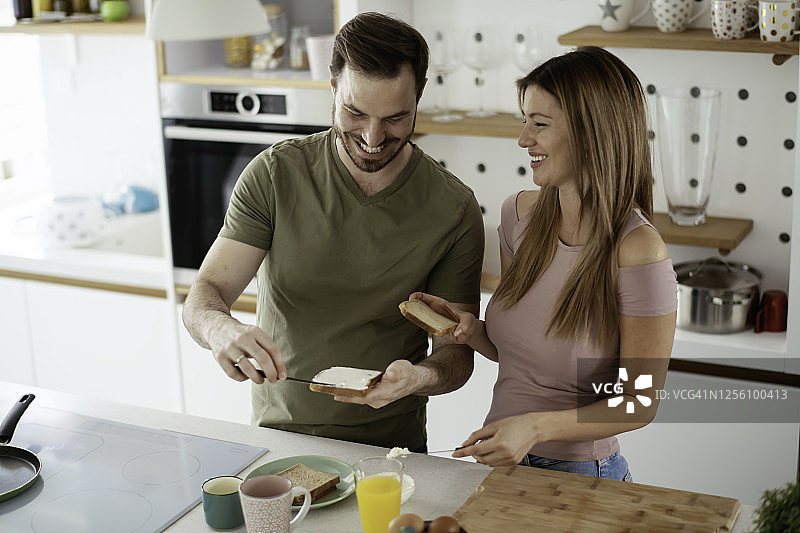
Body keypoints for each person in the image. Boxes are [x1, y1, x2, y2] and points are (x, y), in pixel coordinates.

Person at [182, 12, 484, 451]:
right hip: (277, 436)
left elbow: (456, 354)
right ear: (332, 83)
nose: (373, 137)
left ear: (419, 95)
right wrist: (220, 330)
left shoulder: (453, 208)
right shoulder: (274, 176)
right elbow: (204, 295)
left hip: (391, 448)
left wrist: (420, 376)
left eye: (396, 118)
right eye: (354, 112)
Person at [414, 46, 677, 480]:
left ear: (592, 131)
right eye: (524, 121)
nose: (523, 139)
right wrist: (471, 330)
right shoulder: (519, 216)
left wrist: (536, 428)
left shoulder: (638, 251)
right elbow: (522, 356)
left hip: (582, 474)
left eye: (540, 124)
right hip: (503, 464)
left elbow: (639, 401)